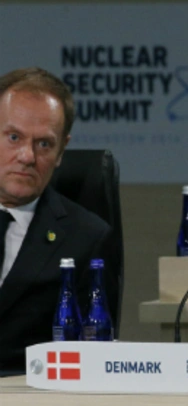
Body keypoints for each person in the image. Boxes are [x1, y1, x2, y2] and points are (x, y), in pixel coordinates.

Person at [0, 67, 112, 372]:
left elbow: (93, 357)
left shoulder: (86, 238)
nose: (27, 156)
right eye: (13, 137)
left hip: (28, 405)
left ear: (62, 151)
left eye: (44, 144)